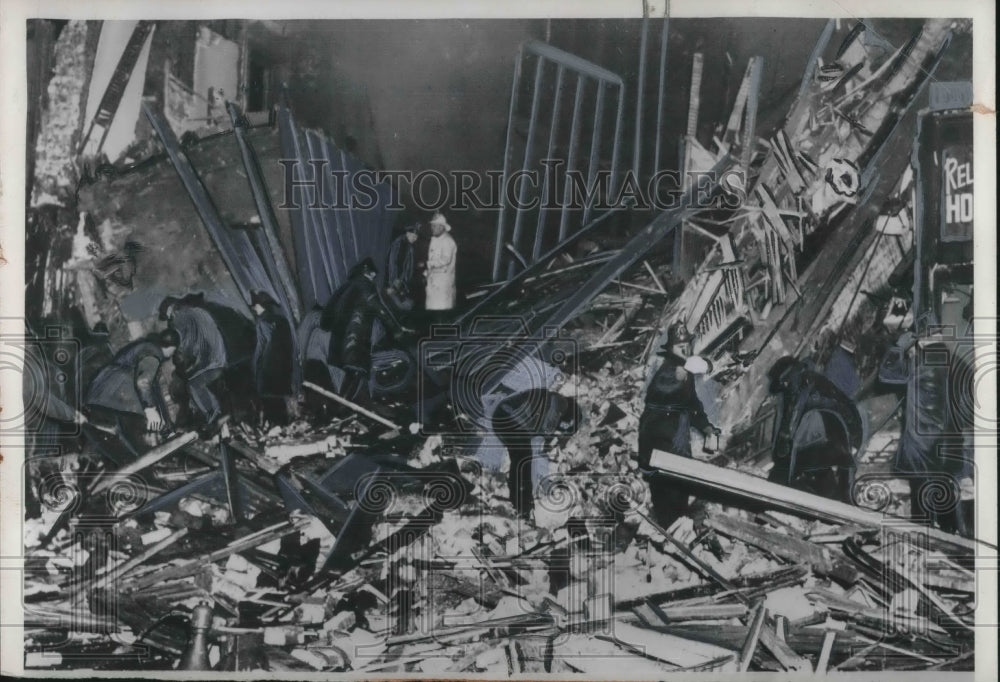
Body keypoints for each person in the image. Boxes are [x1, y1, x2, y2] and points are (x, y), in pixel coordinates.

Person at [884, 332, 974, 537]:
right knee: (946, 495)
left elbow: (886, 374)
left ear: (922, 341)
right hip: (950, 443)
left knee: (922, 506)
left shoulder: (919, 364)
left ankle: (924, 542)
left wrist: (899, 346)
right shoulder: (958, 363)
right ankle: (951, 536)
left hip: (922, 448)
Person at [638, 322, 720, 529]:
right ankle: (667, 530)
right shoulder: (669, 369)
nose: (684, 348)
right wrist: (678, 376)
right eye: (679, 345)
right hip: (659, 439)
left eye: (687, 344)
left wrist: (706, 427)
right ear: (671, 348)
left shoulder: (686, 371)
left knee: (681, 488)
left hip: (678, 439)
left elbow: (692, 404)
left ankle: (676, 527)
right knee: (667, 490)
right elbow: (660, 391)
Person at [768, 356, 863, 503]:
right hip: (815, 443)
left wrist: (855, 441)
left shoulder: (810, 386)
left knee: (818, 480)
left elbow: (844, 411)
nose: (784, 385)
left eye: (785, 382)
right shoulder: (799, 386)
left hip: (822, 443)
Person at [320, 258, 409, 403]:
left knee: (350, 371)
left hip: (342, 334)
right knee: (356, 369)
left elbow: (330, 309)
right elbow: (379, 309)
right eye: (372, 274)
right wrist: (396, 329)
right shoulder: (366, 285)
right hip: (355, 335)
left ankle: (340, 403)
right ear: (369, 273)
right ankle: (342, 405)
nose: (374, 278)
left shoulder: (349, 285)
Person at [492, 388, 581, 519]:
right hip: (510, 417)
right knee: (523, 459)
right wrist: (554, 439)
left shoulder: (551, 400)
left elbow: (541, 429)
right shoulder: (560, 403)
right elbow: (546, 427)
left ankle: (519, 501)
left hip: (503, 417)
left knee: (520, 459)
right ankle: (522, 505)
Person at [84, 329, 179, 452]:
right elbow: (143, 382)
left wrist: (168, 428)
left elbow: (154, 392)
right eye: (174, 350)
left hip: (102, 392)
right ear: (171, 347)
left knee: (120, 438)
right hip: (117, 389)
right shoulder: (153, 354)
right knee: (139, 425)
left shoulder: (146, 347)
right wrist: (150, 410)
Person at [158, 295, 232, 429]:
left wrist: (181, 359)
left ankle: (214, 415)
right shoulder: (197, 311)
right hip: (220, 356)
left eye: (168, 316)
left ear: (171, 310)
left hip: (209, 361)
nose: (169, 319)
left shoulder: (180, 318)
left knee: (190, 383)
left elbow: (187, 346)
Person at [250, 290, 296, 426]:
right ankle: (283, 426)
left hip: (267, 369)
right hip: (283, 368)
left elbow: (260, 349)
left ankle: (271, 427)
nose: (254, 309)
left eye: (255, 306)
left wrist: (253, 367)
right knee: (280, 401)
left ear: (261, 306)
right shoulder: (283, 321)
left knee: (268, 402)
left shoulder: (261, 322)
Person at [424, 212, 457, 315]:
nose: (432, 228)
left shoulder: (448, 241)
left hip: (442, 287)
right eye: (431, 225)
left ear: (442, 227)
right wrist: (427, 272)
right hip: (433, 284)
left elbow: (445, 260)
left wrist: (429, 264)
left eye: (434, 226)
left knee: (441, 315)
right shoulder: (435, 239)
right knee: (431, 314)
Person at [386, 223, 419, 311]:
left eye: (416, 237)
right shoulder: (401, 244)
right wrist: (396, 280)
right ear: (408, 234)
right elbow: (396, 263)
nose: (415, 239)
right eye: (414, 236)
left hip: (399, 281)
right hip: (395, 281)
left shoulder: (407, 245)